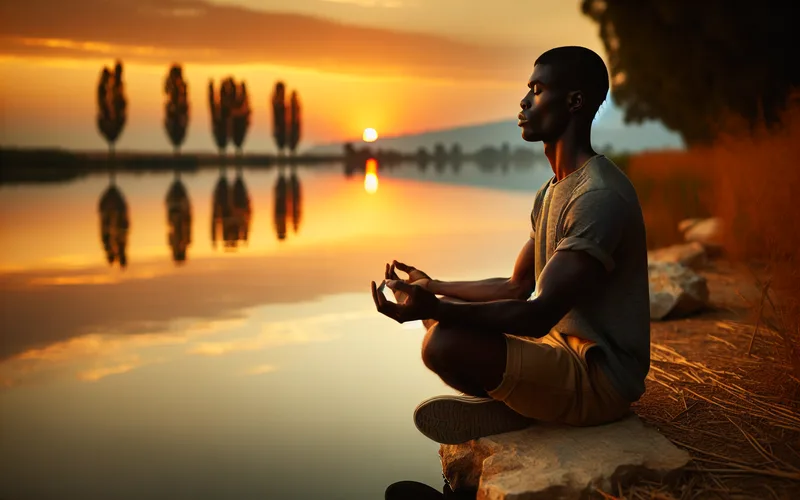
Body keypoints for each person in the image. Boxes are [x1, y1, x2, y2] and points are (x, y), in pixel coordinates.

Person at [370, 46, 651, 445]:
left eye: (536, 90)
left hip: (598, 380)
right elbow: (515, 287)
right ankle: (522, 404)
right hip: (558, 349)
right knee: (445, 318)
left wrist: (435, 309)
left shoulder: (598, 196)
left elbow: (537, 315)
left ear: (574, 102)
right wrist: (432, 289)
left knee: (444, 340)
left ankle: (526, 408)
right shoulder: (551, 191)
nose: (523, 102)